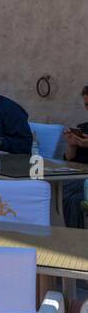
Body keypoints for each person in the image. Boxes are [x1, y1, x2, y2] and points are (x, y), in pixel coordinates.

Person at [58, 85, 88, 227]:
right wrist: (71, 144)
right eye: (87, 105)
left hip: (81, 179)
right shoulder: (83, 128)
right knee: (73, 200)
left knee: (59, 189)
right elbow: (70, 159)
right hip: (79, 176)